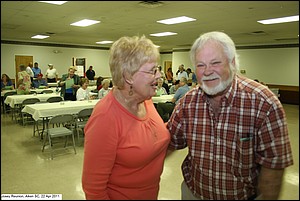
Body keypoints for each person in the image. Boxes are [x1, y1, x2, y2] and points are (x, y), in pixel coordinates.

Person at [167, 31, 294, 200]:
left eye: (215, 63)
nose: (207, 71)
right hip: (194, 193)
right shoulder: (188, 103)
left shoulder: (263, 103)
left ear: (232, 63)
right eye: (201, 65)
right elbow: (168, 142)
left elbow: (273, 168)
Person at [82, 35, 170, 200]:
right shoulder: (105, 117)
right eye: (153, 71)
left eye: (157, 69)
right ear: (129, 76)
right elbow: (94, 190)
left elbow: (151, 139)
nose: (159, 76)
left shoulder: (146, 100)